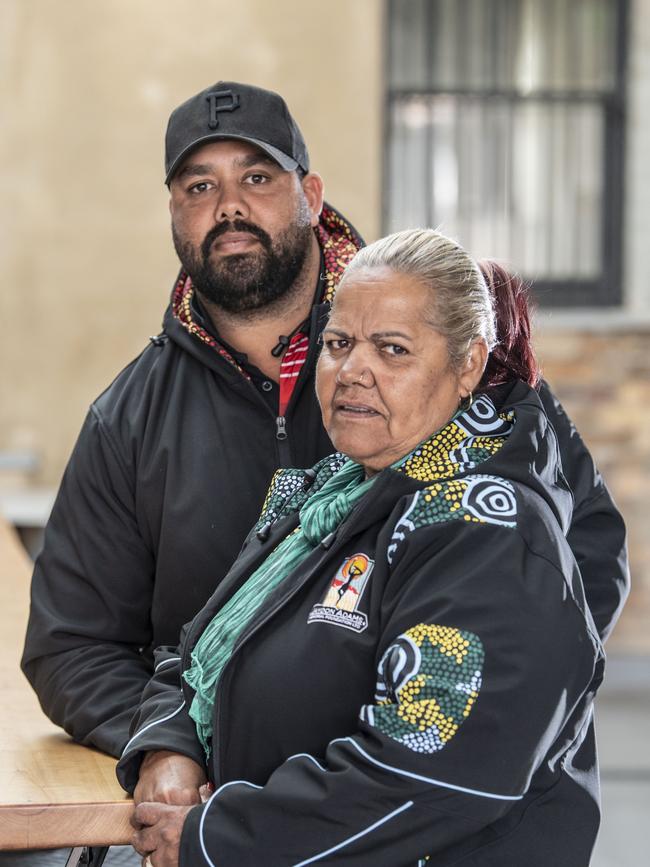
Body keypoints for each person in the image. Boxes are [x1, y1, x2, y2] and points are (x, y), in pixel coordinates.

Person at [21, 80, 627, 767]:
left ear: (310, 196)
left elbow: (588, 546)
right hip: (225, 807)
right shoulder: (128, 419)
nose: (229, 207)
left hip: (423, 801)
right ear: (173, 213)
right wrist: (171, 745)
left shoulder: (451, 346)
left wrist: (489, 716)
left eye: (256, 177)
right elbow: (71, 644)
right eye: (198, 187)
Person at [117, 228, 607, 867]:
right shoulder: (326, 496)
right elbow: (200, 649)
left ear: (469, 365)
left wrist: (220, 840)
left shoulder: (490, 539)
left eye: (392, 349)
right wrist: (170, 747)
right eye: (339, 344)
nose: (353, 371)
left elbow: (430, 781)